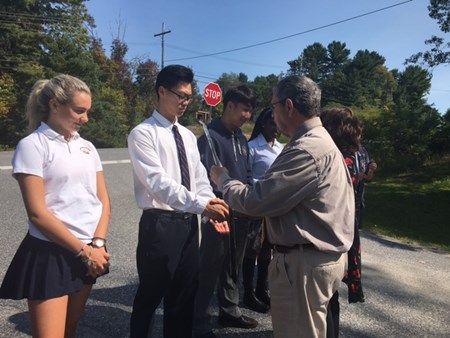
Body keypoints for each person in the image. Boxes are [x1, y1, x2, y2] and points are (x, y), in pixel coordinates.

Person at [210, 75, 355, 338]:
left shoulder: (307, 149)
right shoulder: (320, 141)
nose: (272, 113)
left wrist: (224, 180)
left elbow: (257, 200)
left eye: (273, 105)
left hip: (302, 266)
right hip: (315, 259)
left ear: (289, 106)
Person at [0, 74, 111, 338]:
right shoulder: (32, 146)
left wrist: (97, 243)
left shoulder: (88, 148)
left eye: (87, 112)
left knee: (70, 328)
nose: (85, 118)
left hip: (90, 251)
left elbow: (103, 201)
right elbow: (37, 214)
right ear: (54, 105)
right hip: (51, 253)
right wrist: (84, 251)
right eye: (79, 111)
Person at [127, 64, 229, 338]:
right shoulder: (143, 133)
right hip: (159, 224)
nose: (185, 102)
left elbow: (199, 178)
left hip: (188, 223)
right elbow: (158, 183)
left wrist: (210, 212)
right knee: (150, 297)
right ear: (162, 91)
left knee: (183, 297)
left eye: (188, 97)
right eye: (180, 95)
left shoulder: (186, 135)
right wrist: (201, 205)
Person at [193, 85, 258, 338]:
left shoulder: (241, 138)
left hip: (241, 211)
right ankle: (198, 320)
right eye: (244, 110)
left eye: (250, 111)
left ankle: (229, 310)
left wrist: (251, 194)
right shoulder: (210, 137)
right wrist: (211, 211)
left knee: (234, 264)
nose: (247, 116)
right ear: (229, 106)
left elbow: (247, 171)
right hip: (218, 212)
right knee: (210, 266)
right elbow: (203, 178)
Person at [320, 107, 369, 338]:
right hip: (347, 227)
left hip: (333, 230)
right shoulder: (354, 156)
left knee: (328, 296)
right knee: (332, 293)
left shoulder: (338, 159)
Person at [242, 107, 283, 313]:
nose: (276, 128)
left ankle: (262, 288)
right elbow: (246, 178)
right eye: (272, 124)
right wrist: (266, 184)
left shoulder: (282, 148)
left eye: (278, 124)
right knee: (252, 250)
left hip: (274, 208)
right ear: (263, 124)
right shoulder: (252, 147)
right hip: (257, 207)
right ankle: (248, 292)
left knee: (267, 249)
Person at [355, 145, 378, 229]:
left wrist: (372, 169)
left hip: (359, 192)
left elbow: (368, 178)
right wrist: (356, 175)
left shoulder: (363, 151)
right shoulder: (343, 149)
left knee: (356, 227)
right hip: (345, 192)